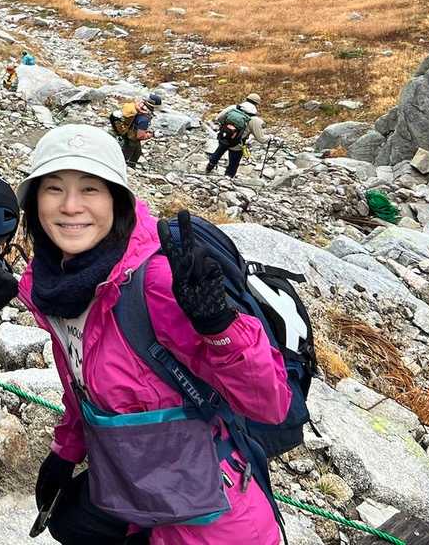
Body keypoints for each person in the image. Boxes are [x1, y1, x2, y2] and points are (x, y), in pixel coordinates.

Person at [17, 124, 290, 544]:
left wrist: (219, 325)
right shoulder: (55, 286)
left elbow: (269, 405)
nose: (70, 206)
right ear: (35, 202)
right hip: (133, 482)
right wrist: (66, 451)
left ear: (117, 201)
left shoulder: (158, 282)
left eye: (90, 189)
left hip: (209, 507)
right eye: (54, 189)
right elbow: (82, 382)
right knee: (68, 521)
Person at [207, 93, 267, 178]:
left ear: (246, 99)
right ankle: (228, 178)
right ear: (257, 104)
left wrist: (227, 127)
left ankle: (209, 167)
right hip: (237, 144)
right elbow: (261, 139)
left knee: (218, 152)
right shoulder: (254, 119)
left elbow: (219, 118)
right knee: (233, 163)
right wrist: (271, 137)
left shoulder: (233, 108)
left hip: (224, 136)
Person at [111, 92, 161, 168]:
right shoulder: (144, 118)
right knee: (126, 156)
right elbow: (140, 136)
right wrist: (153, 134)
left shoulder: (139, 105)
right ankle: (123, 168)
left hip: (127, 131)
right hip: (131, 138)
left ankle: (131, 166)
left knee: (137, 152)